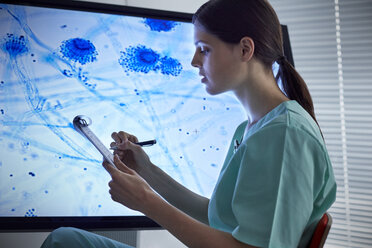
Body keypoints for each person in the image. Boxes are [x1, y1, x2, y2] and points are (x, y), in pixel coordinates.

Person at [41, 0, 337, 247]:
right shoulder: (254, 128)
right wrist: (146, 170)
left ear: (245, 50)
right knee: (66, 239)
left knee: (65, 242)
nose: (194, 61)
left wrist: (146, 201)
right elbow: (218, 217)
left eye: (204, 49)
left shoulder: (283, 134)